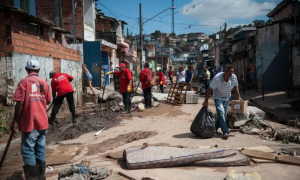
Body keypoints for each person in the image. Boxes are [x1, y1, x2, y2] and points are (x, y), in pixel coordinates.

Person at [11, 59, 51, 180]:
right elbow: (48, 100)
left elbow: (19, 103)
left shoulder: (24, 83)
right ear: (38, 70)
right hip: (42, 121)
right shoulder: (44, 83)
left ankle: (33, 177)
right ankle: (41, 176)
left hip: (30, 122)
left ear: (26, 69)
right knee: (40, 148)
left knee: (27, 149)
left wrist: (14, 122)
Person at [202, 64, 242, 140]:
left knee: (223, 115)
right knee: (221, 113)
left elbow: (236, 86)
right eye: (230, 72)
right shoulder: (217, 78)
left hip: (227, 97)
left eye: (232, 72)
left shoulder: (233, 77)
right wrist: (206, 101)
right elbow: (209, 89)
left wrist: (239, 96)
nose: (231, 73)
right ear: (225, 71)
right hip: (218, 97)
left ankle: (214, 128)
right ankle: (225, 132)